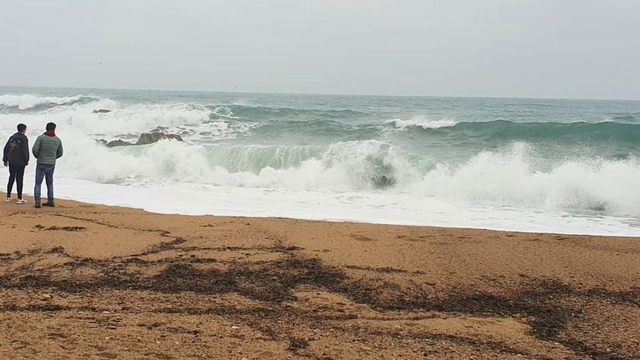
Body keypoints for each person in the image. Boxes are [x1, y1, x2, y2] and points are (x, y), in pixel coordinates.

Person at [32, 122, 63, 208]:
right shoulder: (57, 140)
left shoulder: (41, 138)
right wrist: (53, 158)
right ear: (54, 129)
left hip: (41, 162)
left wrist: (38, 156)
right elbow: (60, 153)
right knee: (49, 183)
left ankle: (38, 201)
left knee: (38, 183)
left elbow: (35, 149)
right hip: (51, 164)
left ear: (46, 128)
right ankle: (51, 200)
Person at [3, 123, 30, 204]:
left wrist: (5, 159)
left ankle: (8, 196)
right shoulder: (24, 138)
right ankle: (19, 198)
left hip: (12, 160)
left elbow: (6, 148)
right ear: (24, 130)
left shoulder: (12, 137)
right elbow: (25, 150)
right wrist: (26, 160)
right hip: (20, 162)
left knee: (11, 177)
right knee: (19, 179)